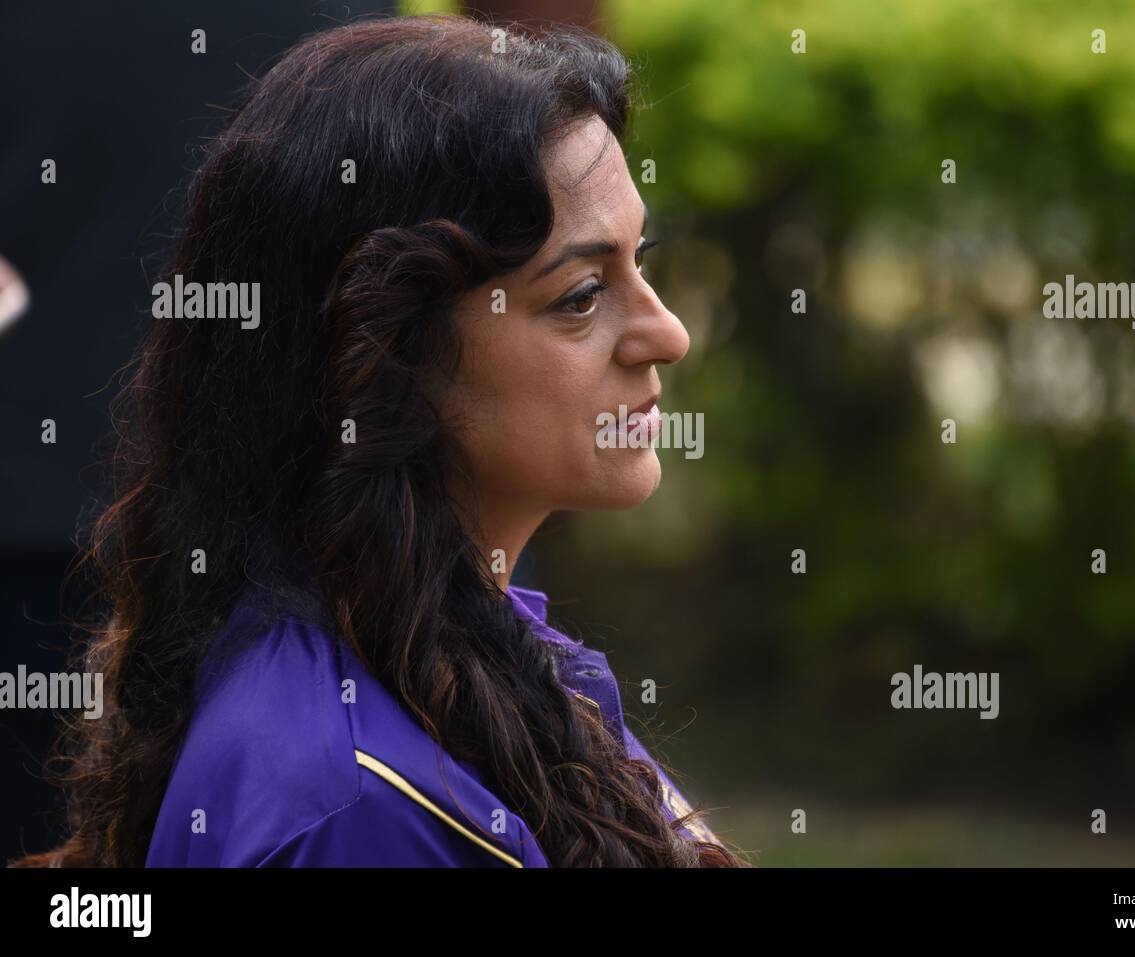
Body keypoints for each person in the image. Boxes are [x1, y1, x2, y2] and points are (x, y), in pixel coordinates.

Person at [10, 14, 750, 868]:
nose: (668, 334)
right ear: (389, 353)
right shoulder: (357, 805)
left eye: (641, 259)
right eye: (581, 295)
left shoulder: (456, 641)